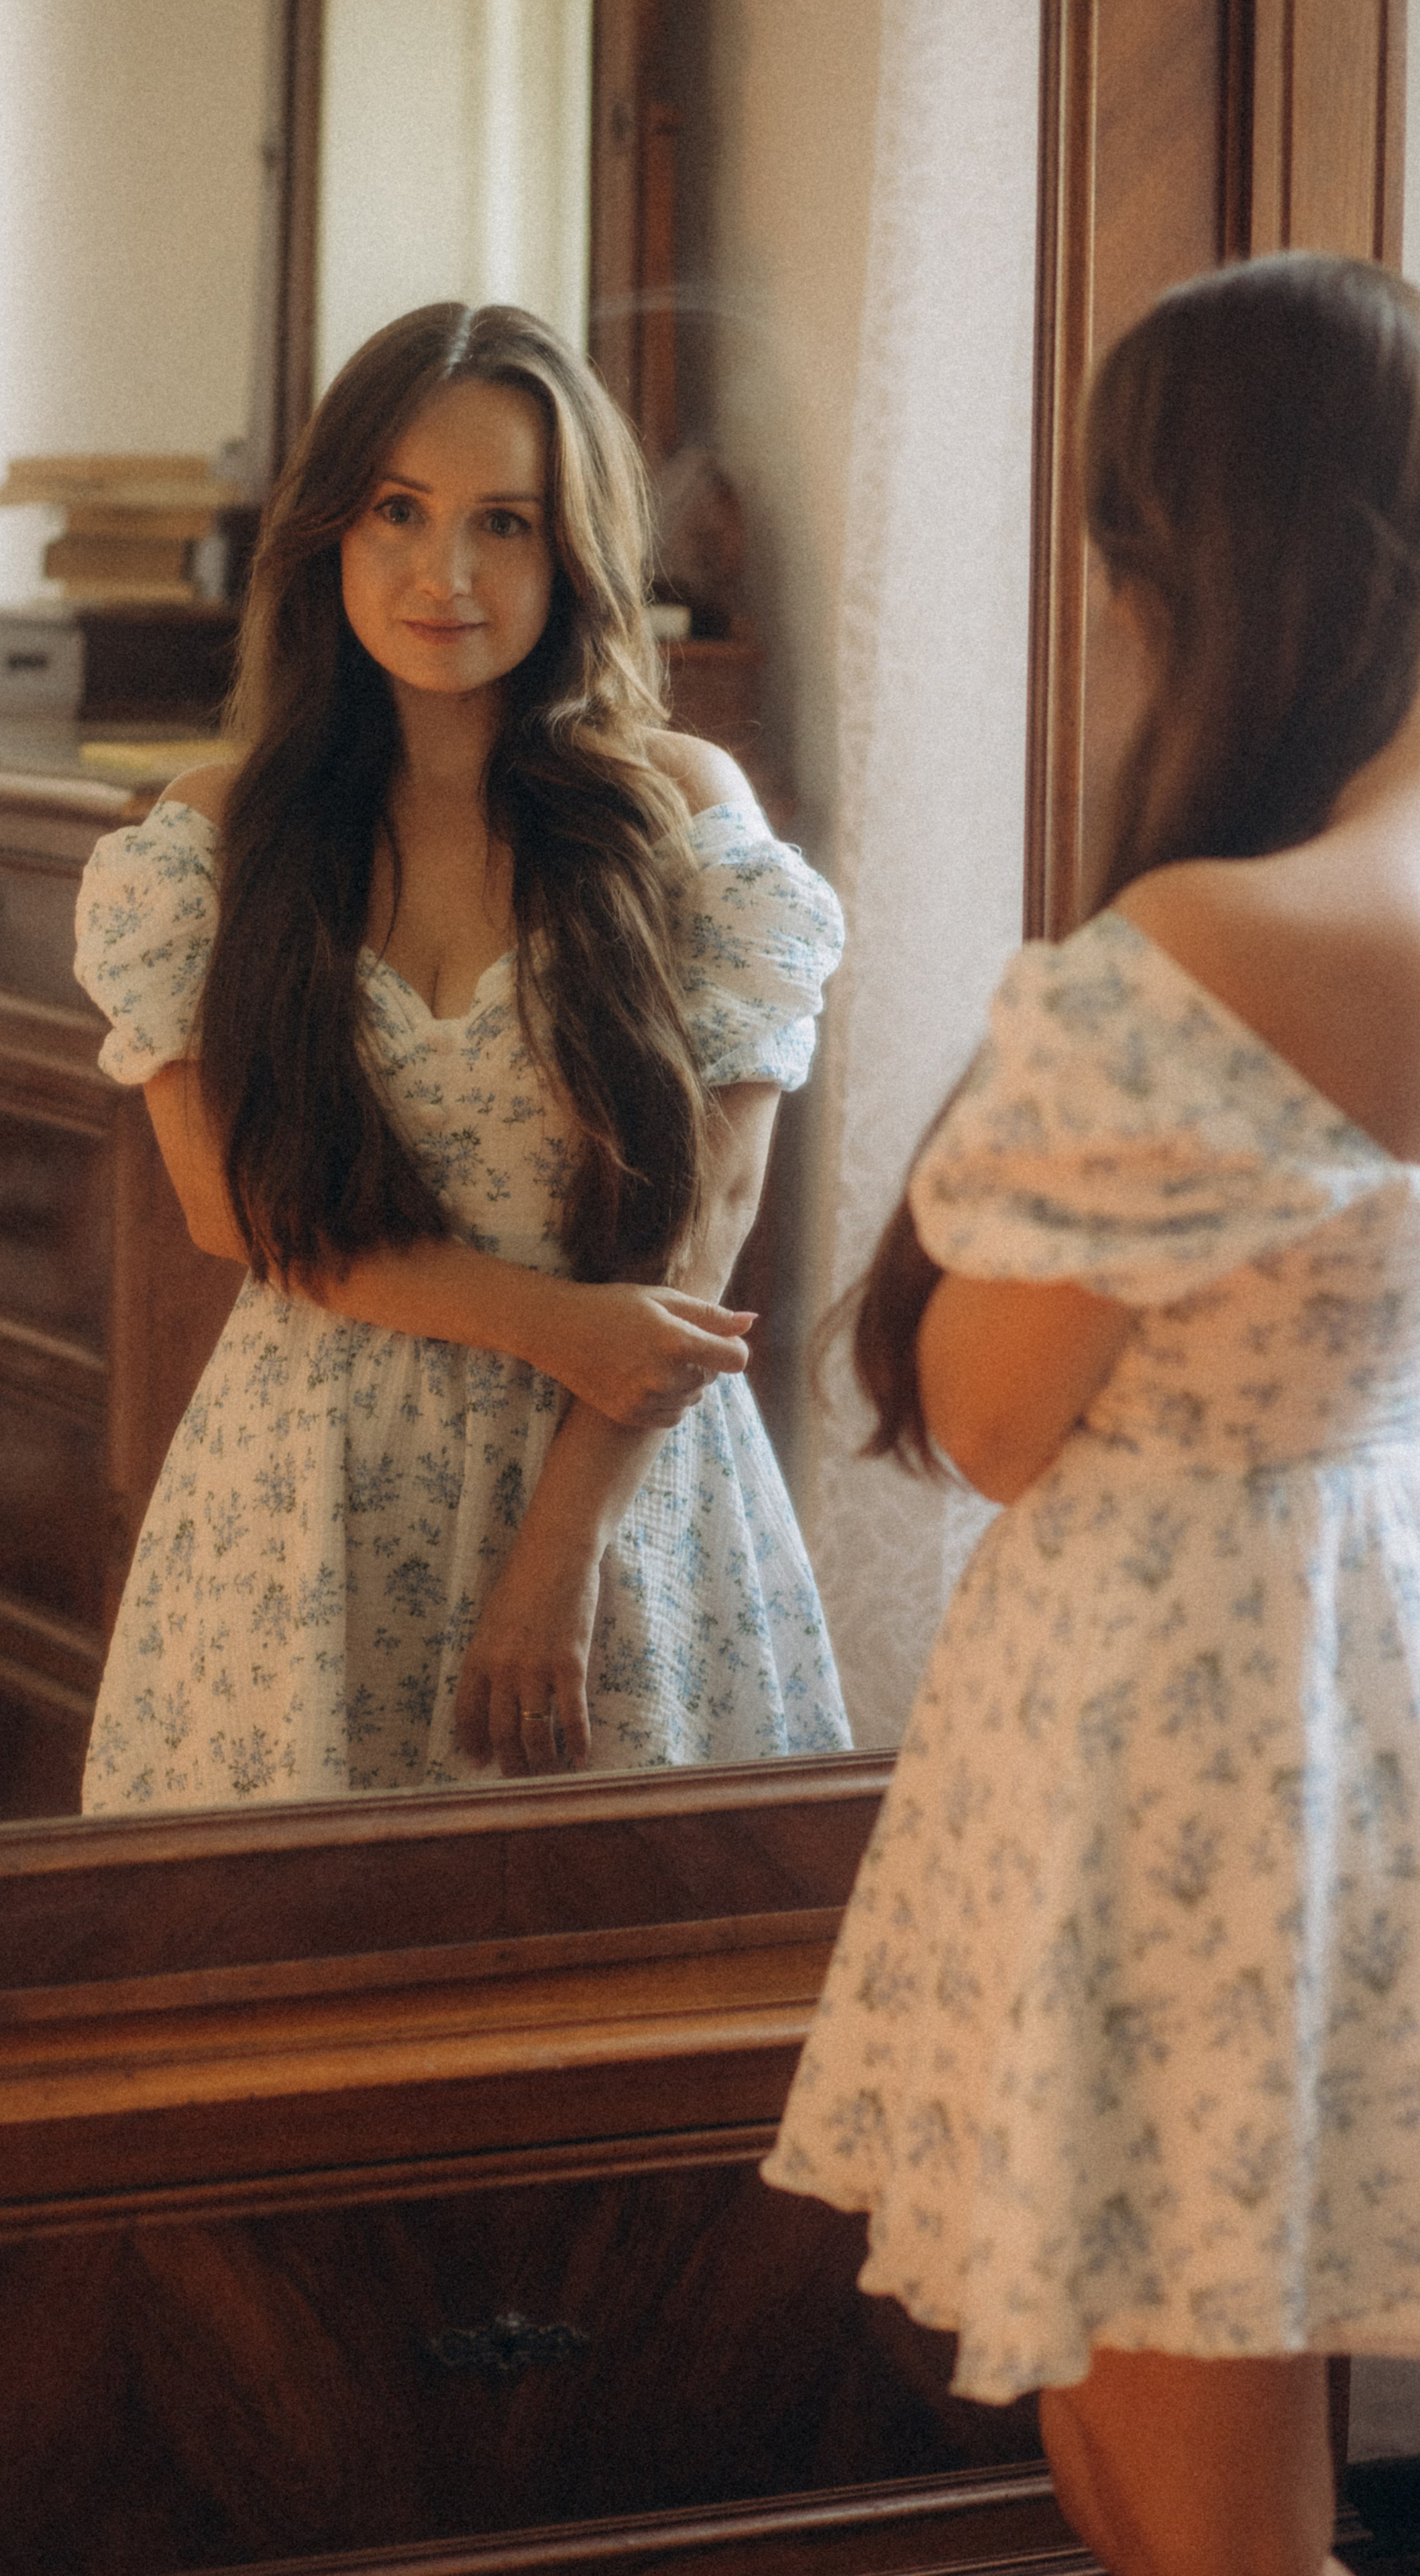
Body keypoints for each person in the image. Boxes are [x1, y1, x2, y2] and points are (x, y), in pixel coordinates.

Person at [763, 255, 1420, 2576]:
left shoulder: (1217, 949)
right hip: (1399, 1646)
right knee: (1220, 2416)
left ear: (1204, 554)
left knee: (1184, 2474)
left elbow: (985, 1420)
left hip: (1188, 1701)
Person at [73, 302, 849, 1811]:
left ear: (571, 555)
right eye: (398, 514)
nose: (445, 575)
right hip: (306, 1501)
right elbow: (232, 1210)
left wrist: (559, 1551)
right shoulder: (212, 837)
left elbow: (716, 1202)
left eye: (505, 522)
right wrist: (557, 1327)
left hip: (623, 1471)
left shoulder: (682, 811)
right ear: (327, 536)